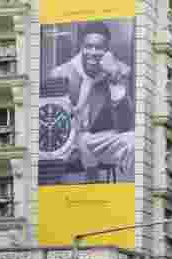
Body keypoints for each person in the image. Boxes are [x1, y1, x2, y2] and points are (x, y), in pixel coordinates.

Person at [46, 21, 135, 180]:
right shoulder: (61, 73)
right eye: (88, 46)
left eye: (99, 48)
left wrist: (114, 79)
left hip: (98, 140)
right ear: (81, 46)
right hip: (68, 140)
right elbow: (53, 121)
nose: (93, 52)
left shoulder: (120, 71)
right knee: (79, 139)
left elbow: (125, 125)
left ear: (107, 50)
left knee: (133, 140)